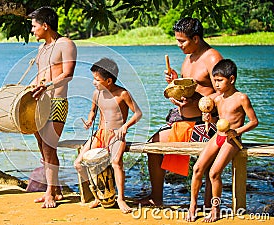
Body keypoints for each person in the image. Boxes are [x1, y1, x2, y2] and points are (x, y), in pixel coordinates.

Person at [140, 17, 223, 206]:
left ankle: (210, 205)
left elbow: (223, 95)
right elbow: (191, 86)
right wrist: (176, 82)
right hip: (184, 121)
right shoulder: (189, 57)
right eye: (177, 40)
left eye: (182, 41)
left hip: (206, 124)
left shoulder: (212, 58)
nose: (179, 45)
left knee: (209, 163)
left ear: (195, 39)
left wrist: (197, 100)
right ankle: (156, 198)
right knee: (153, 146)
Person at [186, 59, 258, 222]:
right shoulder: (217, 99)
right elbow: (219, 119)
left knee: (214, 172)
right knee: (197, 168)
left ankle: (215, 209)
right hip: (218, 136)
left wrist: (236, 131)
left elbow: (254, 122)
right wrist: (209, 118)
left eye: (220, 80)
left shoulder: (241, 98)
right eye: (214, 80)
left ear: (231, 79)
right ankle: (193, 205)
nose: (216, 84)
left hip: (232, 140)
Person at [74, 58, 142, 213]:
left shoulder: (122, 94)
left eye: (97, 79)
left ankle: (121, 198)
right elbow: (93, 110)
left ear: (109, 80)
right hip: (99, 134)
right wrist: (90, 119)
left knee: (116, 162)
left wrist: (125, 127)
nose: (94, 82)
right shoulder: (96, 94)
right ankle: (99, 195)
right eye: (93, 79)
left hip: (116, 135)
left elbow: (138, 113)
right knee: (78, 164)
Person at [28, 6, 77, 208]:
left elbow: (68, 74)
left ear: (45, 26)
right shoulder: (41, 48)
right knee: (43, 147)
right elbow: (41, 74)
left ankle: (49, 192)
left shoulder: (66, 44)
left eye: (34, 26)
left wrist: (46, 85)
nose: (32, 30)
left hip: (57, 101)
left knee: (49, 146)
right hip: (39, 102)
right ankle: (55, 189)